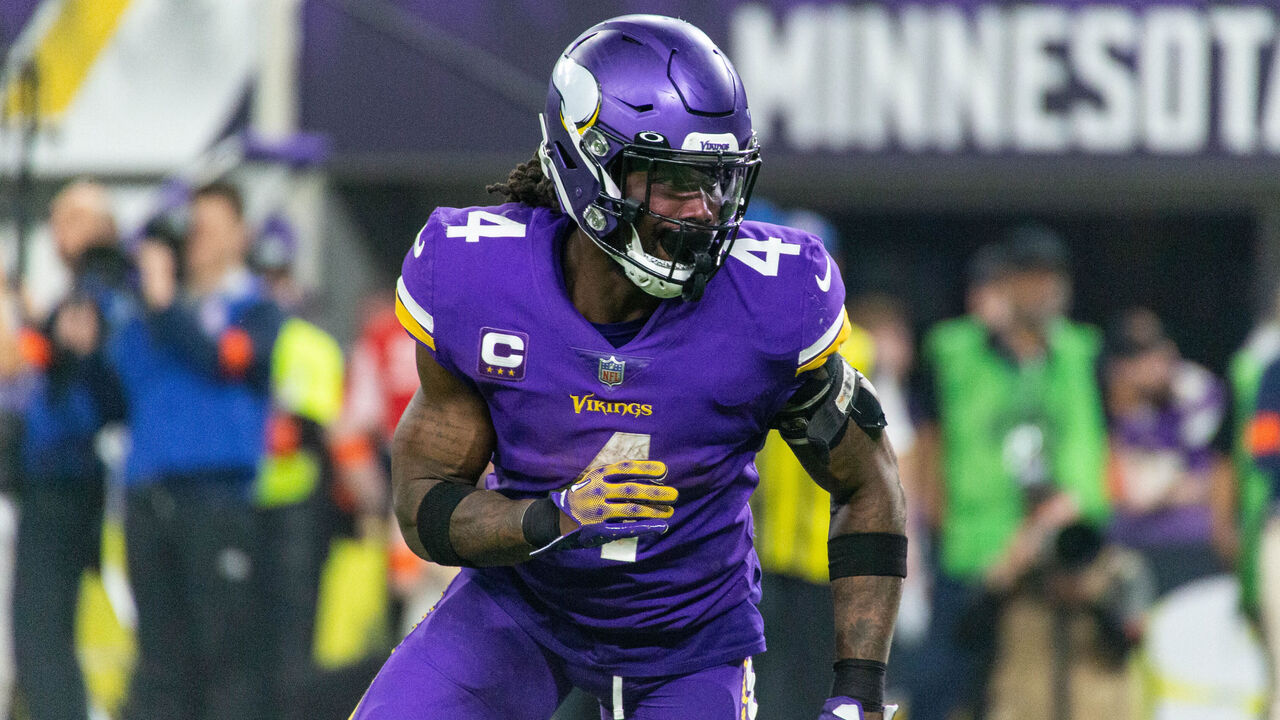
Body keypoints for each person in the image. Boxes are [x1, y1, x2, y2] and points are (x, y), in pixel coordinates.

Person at [354, 14, 906, 720]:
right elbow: (423, 502)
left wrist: (858, 695)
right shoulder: (477, 277)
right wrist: (553, 517)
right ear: (588, 170)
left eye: (717, 183)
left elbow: (870, 481)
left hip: (690, 641)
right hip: (523, 611)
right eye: (676, 181)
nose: (703, 212)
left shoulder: (771, 300)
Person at [912, 230, 1110, 720]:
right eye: (1028, 277)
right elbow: (930, 446)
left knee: (1051, 690)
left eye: (1050, 278)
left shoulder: (1081, 353)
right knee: (946, 686)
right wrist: (934, 525)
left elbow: (1095, 447)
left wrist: (1062, 519)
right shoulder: (954, 352)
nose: (1041, 290)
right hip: (976, 549)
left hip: (1059, 547)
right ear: (1005, 283)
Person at [112, 181, 283, 720]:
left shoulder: (258, 309)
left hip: (217, 500)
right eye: (192, 229)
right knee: (158, 656)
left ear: (240, 235)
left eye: (208, 229)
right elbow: (114, 379)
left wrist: (165, 306)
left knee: (222, 652)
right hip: (148, 497)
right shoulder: (151, 315)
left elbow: (223, 360)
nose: (197, 241)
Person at [10, 180, 128, 720]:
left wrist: (46, 346)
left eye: (71, 219)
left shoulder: (99, 291)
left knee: (42, 628)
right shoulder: (83, 291)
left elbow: (85, 383)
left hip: (67, 473)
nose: (59, 232)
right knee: (41, 629)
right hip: (62, 473)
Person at [1103, 307, 1228, 596]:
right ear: (1120, 367)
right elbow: (1130, 492)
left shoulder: (1197, 389)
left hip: (1196, 540)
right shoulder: (1125, 403)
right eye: (1138, 357)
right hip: (1138, 543)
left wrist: (1166, 486)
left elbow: (1217, 480)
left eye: (1157, 348)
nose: (1154, 362)